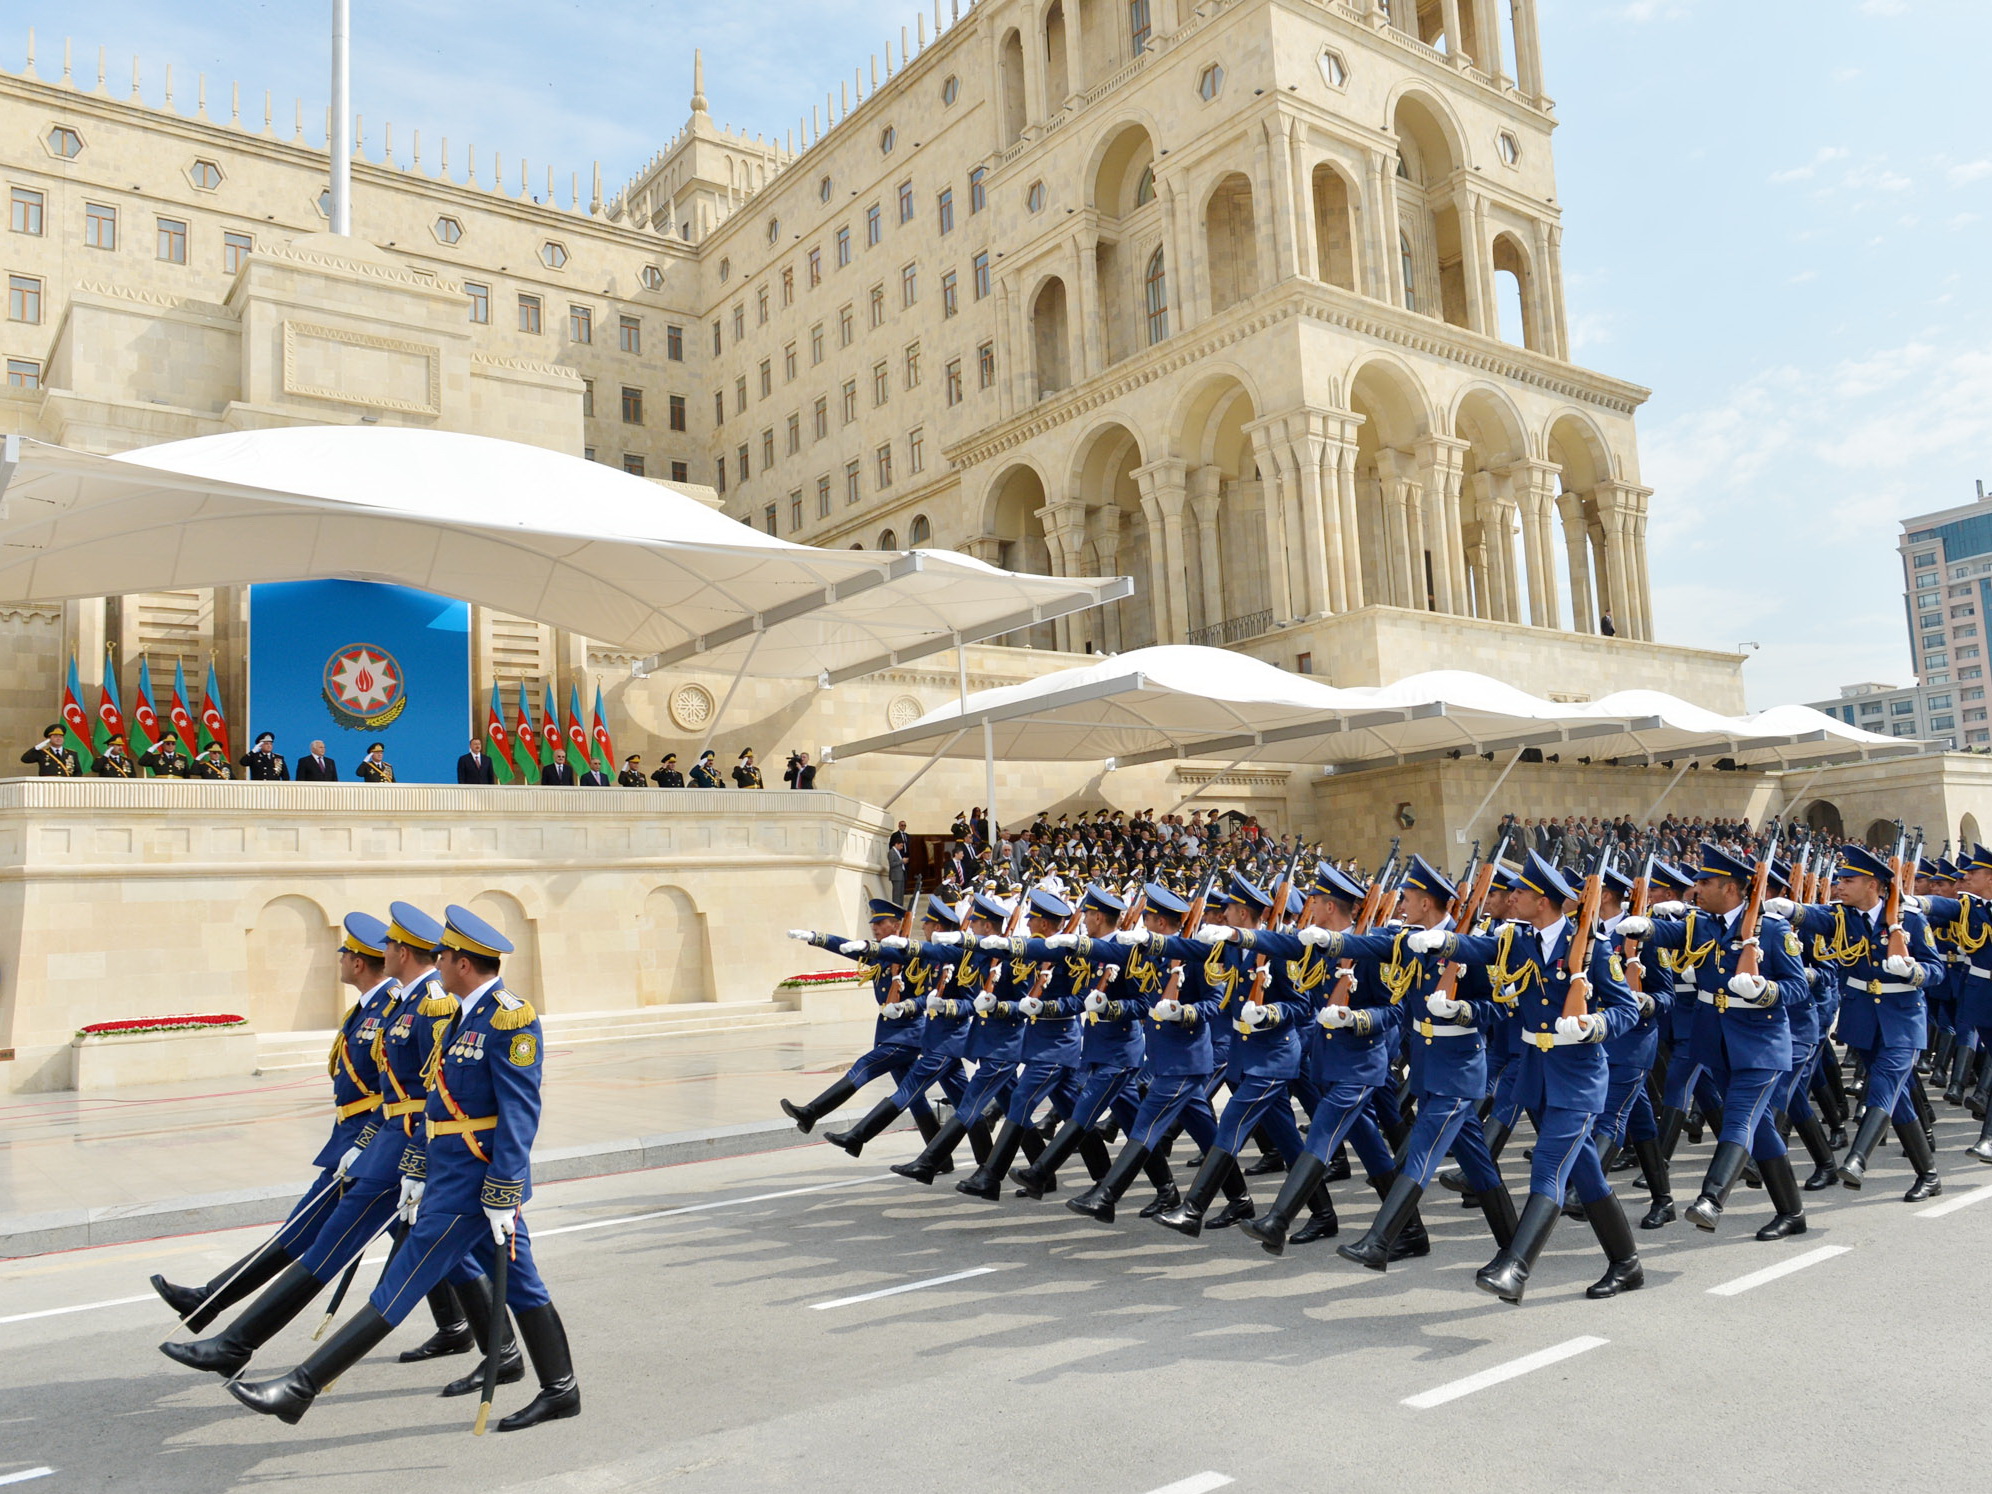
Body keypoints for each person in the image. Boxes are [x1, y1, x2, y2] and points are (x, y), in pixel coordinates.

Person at [229, 905, 578, 1431]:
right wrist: (416, 1165)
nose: (435, 964)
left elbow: (520, 1111)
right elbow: (433, 1103)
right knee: (523, 1285)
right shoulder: (463, 1015)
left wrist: (504, 1189)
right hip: (448, 1173)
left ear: (462, 964)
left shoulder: (510, 1017)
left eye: (442, 956)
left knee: (400, 1282)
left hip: (474, 1187)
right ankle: (562, 1391)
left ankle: (299, 1388)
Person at [159, 904, 508, 1391]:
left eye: (382, 945)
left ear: (400, 951)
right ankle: (496, 1346)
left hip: (404, 1148)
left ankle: (237, 1344)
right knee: (444, 1254)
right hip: (386, 1145)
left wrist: (412, 1159)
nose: (366, 953)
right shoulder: (408, 1003)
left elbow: (434, 1094)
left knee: (329, 1245)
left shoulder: (434, 1004)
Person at [151, 913, 401, 1334]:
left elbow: (401, 1089)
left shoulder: (393, 1010)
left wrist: (367, 1141)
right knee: (421, 1241)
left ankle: (209, 1305)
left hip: (370, 1142)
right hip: (354, 1137)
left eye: (344, 953)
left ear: (358, 963)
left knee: (304, 1228)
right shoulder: (366, 1009)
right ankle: (461, 1327)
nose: (339, 959)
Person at [1414, 851, 1644, 1304]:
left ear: (1543, 902)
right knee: (1587, 1175)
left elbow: (1627, 1009)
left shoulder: (1591, 947)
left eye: (1520, 892)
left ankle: (1516, 1266)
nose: (1511, 897)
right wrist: (1442, 945)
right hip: (1538, 1075)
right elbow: (1479, 949)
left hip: (1578, 1078)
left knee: (1548, 1164)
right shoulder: (1519, 940)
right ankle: (1627, 1263)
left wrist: (1595, 1026)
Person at [1629, 844, 1810, 1240]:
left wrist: (1766, 992)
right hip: (1719, 1042)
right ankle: (1792, 1213)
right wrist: (1646, 928)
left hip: (1761, 1044)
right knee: (1760, 1128)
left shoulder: (1772, 929)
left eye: (1705, 882)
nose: (1696, 888)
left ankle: (1711, 1198)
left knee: (1740, 1117)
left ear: (1731, 889)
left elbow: (1799, 987)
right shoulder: (1704, 925)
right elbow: (1673, 933)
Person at [1766, 843, 1945, 1201]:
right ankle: (1929, 1175)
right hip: (1864, 1019)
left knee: (1883, 1084)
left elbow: (1936, 970)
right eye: (1839, 880)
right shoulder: (1842, 917)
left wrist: (1914, 972)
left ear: (1874, 884)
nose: (1839, 886)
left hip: (1902, 1020)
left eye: (1848, 880)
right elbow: (1814, 917)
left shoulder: (1909, 920)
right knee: (1899, 1101)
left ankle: (1857, 1159)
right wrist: (1792, 910)